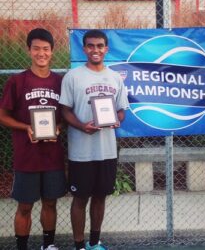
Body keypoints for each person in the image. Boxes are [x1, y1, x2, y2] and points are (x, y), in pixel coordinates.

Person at [59, 29, 129, 250]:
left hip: (106, 151)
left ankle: (94, 242)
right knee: (80, 199)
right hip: (81, 151)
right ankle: (79, 245)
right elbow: (65, 110)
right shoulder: (73, 76)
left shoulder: (115, 77)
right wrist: (81, 126)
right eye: (91, 45)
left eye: (100, 46)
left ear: (106, 49)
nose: (95, 50)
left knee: (100, 197)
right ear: (84, 48)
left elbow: (121, 111)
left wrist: (116, 121)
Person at [0, 28, 66, 250]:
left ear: (52, 52)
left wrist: (57, 126)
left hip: (52, 156)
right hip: (27, 156)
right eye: (36, 48)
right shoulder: (17, 82)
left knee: (50, 203)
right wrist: (26, 127)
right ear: (29, 50)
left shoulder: (59, 82)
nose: (41, 53)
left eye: (45, 49)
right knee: (25, 206)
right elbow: (3, 116)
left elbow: (65, 116)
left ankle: (48, 245)